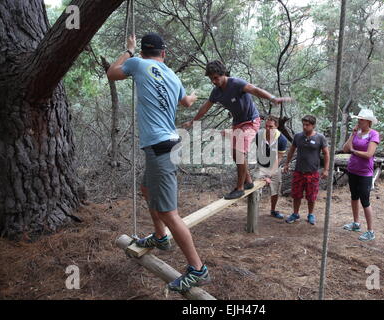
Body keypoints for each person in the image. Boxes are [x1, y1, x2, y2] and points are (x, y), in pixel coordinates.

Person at [107, 33, 210, 292]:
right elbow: (185, 102)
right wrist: (194, 97)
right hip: (165, 145)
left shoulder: (138, 63)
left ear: (144, 52)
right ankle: (161, 237)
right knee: (146, 190)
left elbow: (112, 72)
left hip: (160, 148)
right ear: (164, 54)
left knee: (169, 213)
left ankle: (198, 269)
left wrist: (128, 51)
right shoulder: (173, 76)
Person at [182, 60, 291, 200]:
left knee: (239, 151)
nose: (213, 81)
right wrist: (193, 121)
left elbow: (255, 90)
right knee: (235, 154)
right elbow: (205, 107)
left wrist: (272, 98)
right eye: (211, 79)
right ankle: (249, 182)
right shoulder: (216, 92)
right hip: (237, 123)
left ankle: (239, 188)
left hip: (251, 121)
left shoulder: (236, 83)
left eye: (215, 78)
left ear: (223, 74)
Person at [283, 115, 330, 225]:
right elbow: (291, 150)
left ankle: (310, 214)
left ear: (313, 125)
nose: (304, 127)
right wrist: (286, 163)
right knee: (296, 194)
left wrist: (326, 169)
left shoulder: (320, 138)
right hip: (299, 171)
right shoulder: (298, 136)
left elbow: (326, 153)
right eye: (303, 124)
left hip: (312, 172)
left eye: (307, 125)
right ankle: (295, 214)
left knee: (311, 195)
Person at [342, 109, 380, 241]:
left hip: (365, 173)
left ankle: (370, 231)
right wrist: (352, 135)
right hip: (353, 170)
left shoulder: (373, 134)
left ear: (368, 122)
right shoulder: (357, 133)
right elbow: (345, 149)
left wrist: (354, 151)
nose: (359, 121)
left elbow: (369, 154)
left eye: (361, 119)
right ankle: (356, 223)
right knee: (354, 197)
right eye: (358, 119)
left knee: (365, 201)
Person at [255, 116, 288, 219]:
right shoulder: (259, 135)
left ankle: (273, 210)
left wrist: (269, 174)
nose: (268, 129)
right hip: (261, 165)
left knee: (275, 189)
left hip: (275, 166)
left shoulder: (282, 139)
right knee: (255, 188)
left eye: (271, 126)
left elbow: (279, 158)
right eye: (266, 126)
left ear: (276, 126)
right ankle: (254, 211)